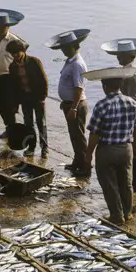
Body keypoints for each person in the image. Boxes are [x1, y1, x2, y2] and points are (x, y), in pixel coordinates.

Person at [83, 67, 136, 225]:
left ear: (104, 86)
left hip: (107, 150)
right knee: (126, 182)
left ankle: (116, 215)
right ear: (121, 85)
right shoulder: (133, 103)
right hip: (126, 148)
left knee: (109, 184)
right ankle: (127, 213)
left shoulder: (102, 105)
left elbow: (94, 133)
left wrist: (88, 154)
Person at [101, 37, 136, 192]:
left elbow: (134, 100)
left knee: (135, 146)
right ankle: (134, 177)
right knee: (132, 145)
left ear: (130, 56)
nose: (118, 57)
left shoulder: (133, 74)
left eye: (121, 55)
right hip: (128, 111)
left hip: (130, 114)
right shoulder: (128, 71)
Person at [48, 29, 90, 177]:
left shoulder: (77, 64)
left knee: (79, 136)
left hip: (76, 105)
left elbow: (79, 88)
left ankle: (86, 166)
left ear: (74, 47)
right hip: (69, 103)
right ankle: (77, 162)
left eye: (65, 48)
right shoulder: (69, 61)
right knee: (74, 136)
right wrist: (65, 102)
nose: (63, 51)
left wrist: (73, 108)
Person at [7, 39, 49, 157]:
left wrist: (43, 97)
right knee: (28, 124)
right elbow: (14, 87)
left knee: (41, 123)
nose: (15, 56)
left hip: (38, 97)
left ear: (23, 51)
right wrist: (15, 105)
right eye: (12, 54)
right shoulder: (12, 67)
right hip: (25, 98)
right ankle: (32, 147)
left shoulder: (34, 61)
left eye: (17, 53)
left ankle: (44, 148)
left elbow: (43, 79)